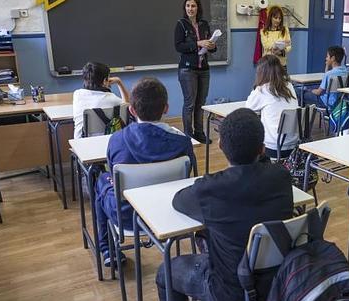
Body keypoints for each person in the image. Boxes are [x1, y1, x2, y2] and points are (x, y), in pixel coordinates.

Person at [157, 108, 293, 301]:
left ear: (220, 145)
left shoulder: (211, 189)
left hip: (228, 290)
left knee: (165, 272)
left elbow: (178, 201)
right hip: (277, 283)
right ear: (262, 149)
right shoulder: (282, 176)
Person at [94, 78, 195, 267]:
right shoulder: (182, 142)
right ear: (166, 108)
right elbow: (188, 175)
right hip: (171, 212)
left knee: (101, 180)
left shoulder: (117, 140)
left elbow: (112, 171)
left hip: (127, 217)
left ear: (131, 110)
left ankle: (107, 249)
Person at [175, 0, 217, 144]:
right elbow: (179, 46)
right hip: (187, 70)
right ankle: (188, 134)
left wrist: (212, 45)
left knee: (201, 103)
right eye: (187, 6)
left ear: (198, 8)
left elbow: (211, 46)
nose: (190, 9)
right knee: (190, 103)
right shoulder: (181, 24)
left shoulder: (204, 24)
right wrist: (198, 43)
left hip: (203, 69)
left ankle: (200, 133)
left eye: (193, 6)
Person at [245, 55, 299, 159]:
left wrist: (257, 86)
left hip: (273, 147)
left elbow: (248, 108)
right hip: (293, 144)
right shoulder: (289, 86)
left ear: (261, 72)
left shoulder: (262, 89)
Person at [72, 61, 130, 139]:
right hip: (104, 143)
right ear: (104, 81)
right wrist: (119, 82)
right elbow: (128, 105)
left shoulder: (77, 94)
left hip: (81, 145)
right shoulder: (112, 99)